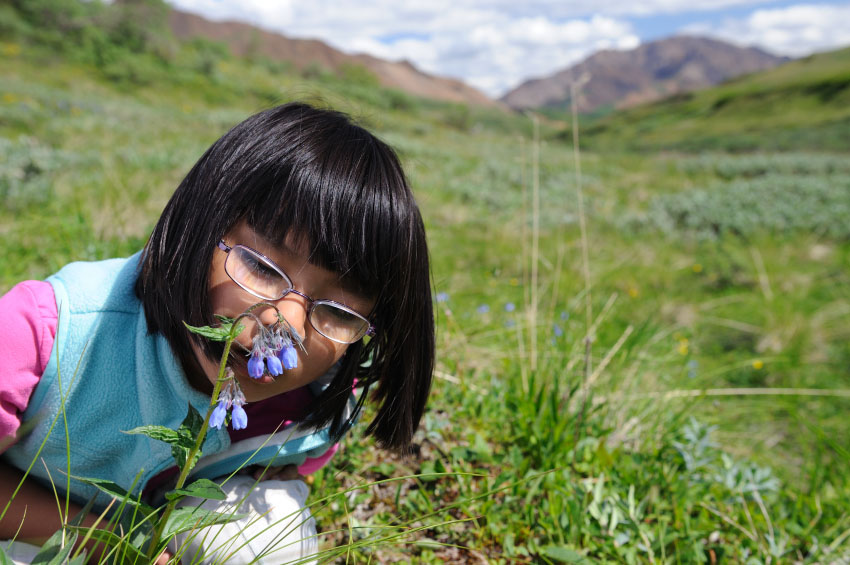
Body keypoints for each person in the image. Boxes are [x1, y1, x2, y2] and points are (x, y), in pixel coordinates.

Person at [0, 102, 435, 563]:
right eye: (259, 266)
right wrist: (111, 543)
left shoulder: (310, 400)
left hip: (161, 514)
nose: (285, 323)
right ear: (198, 224)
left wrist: (280, 474)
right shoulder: (50, 330)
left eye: (338, 311)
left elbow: (294, 458)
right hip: (30, 521)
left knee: (267, 543)